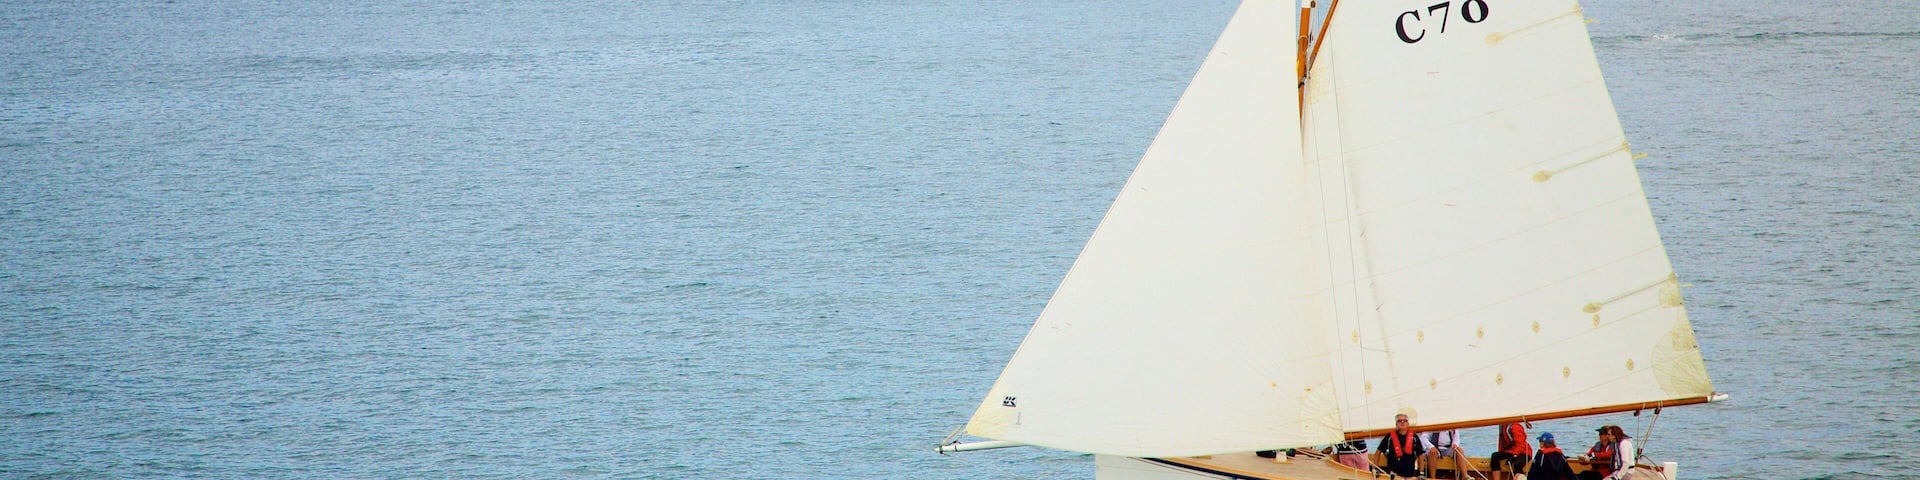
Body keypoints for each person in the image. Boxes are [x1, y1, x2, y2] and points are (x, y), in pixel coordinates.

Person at [1376, 414, 1429, 479]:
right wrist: (1376, 468)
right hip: (1393, 474)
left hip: (1409, 474)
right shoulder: (1389, 437)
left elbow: (1420, 455)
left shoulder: (1414, 437)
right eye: (1399, 421)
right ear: (1396, 424)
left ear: (1408, 423)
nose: (1402, 422)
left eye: (1405, 420)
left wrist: (1421, 473)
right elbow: (1378, 451)